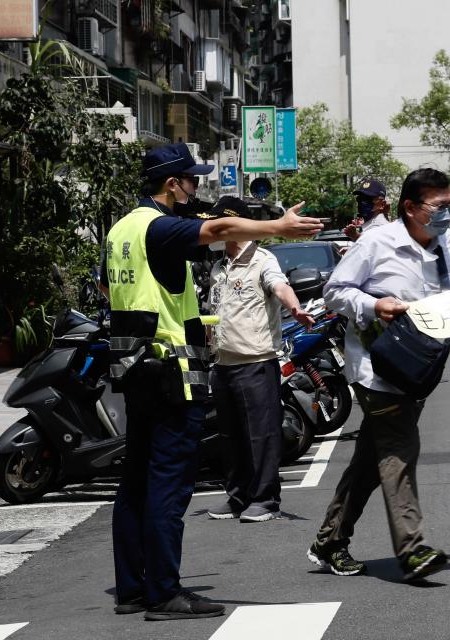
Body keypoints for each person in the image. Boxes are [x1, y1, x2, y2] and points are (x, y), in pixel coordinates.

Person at [103, 142, 322, 621]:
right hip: (170, 373)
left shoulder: (121, 229)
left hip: (134, 368)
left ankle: (132, 587)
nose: (195, 187)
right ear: (171, 184)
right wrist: (277, 227)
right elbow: (220, 227)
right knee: (168, 484)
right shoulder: (159, 228)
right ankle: (163, 592)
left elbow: (115, 289)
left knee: (136, 480)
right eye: (192, 179)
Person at [307, 168, 450, 582]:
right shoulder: (377, 242)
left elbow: (449, 293)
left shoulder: (445, 241)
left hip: (419, 363)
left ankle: (330, 539)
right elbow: (335, 292)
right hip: (377, 366)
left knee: (371, 462)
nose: (448, 213)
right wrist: (376, 306)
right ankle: (412, 549)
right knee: (399, 449)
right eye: (440, 206)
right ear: (410, 208)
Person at [206, 205, 316, 523]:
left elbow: (280, 286)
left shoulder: (263, 260)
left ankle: (265, 499)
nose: (218, 231)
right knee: (230, 436)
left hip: (256, 362)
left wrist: (294, 309)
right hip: (222, 363)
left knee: (261, 434)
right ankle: (237, 496)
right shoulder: (218, 268)